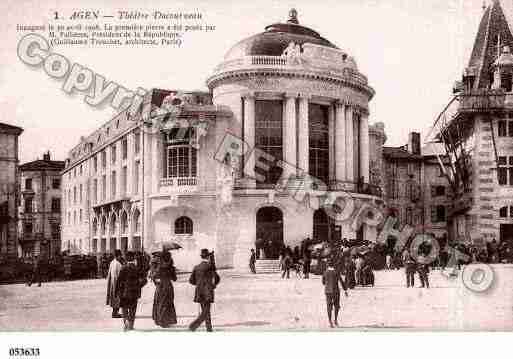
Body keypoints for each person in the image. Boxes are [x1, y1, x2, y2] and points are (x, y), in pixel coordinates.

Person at [189, 249, 221, 332]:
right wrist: (213, 285)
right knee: (206, 311)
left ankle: (209, 328)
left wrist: (199, 284)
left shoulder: (196, 267)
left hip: (199, 291)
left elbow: (191, 280)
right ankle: (193, 326)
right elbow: (217, 278)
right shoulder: (210, 266)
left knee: (205, 310)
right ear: (208, 257)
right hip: (207, 291)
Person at [116, 251, 145, 331]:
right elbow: (144, 280)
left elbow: (119, 281)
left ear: (126, 258)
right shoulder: (137, 268)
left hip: (124, 292)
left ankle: (126, 323)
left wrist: (117, 292)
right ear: (133, 258)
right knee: (133, 308)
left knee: (124, 308)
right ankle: (131, 325)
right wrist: (139, 286)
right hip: (134, 292)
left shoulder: (123, 267)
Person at [151, 250, 178, 328]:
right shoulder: (171, 267)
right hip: (168, 286)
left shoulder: (159, 266)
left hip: (160, 286)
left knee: (159, 302)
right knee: (168, 303)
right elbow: (175, 278)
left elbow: (154, 276)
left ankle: (159, 320)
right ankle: (166, 320)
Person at [322, 260, 348, 328]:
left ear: (328, 265)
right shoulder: (336, 272)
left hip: (327, 291)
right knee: (336, 306)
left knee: (329, 306)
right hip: (336, 291)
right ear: (334, 265)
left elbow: (323, 282)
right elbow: (341, 282)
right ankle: (335, 320)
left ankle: (330, 321)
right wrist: (345, 290)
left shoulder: (325, 272)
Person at [106, 250, 123, 318]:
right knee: (117, 298)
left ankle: (115, 312)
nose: (120, 257)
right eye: (120, 255)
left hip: (112, 283)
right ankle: (115, 313)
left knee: (114, 298)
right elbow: (119, 275)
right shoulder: (118, 264)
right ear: (118, 256)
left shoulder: (112, 262)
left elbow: (109, 274)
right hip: (116, 283)